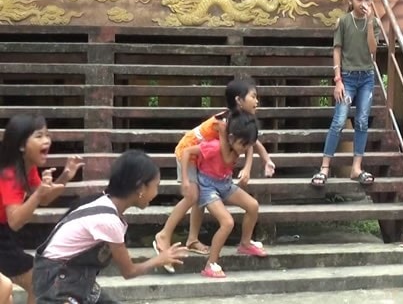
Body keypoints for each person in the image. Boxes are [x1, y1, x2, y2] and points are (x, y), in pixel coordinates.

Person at [33, 150, 188, 303]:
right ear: (140, 187)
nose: (156, 193)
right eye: (156, 186)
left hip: (73, 278)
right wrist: (159, 259)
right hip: (58, 282)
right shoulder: (109, 220)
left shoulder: (104, 203)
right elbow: (129, 271)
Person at [154, 79, 274, 272]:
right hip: (189, 151)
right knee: (193, 195)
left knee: (198, 197)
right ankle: (164, 234)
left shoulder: (240, 120)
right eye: (253, 96)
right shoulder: (224, 123)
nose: (257, 101)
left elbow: (252, 141)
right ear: (239, 100)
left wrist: (259, 163)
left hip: (208, 159)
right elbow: (227, 157)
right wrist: (185, 180)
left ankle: (193, 239)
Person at [0, 114, 84, 304]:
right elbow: (15, 220)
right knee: (37, 282)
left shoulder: (27, 168)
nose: (46, 140)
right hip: (4, 234)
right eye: (39, 136)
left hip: (4, 236)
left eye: (47, 135)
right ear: (22, 146)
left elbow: (44, 198)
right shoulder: (10, 175)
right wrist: (37, 195)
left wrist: (65, 177)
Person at [311, 0, 380, 187]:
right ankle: (325, 167)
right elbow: (337, 50)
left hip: (366, 76)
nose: (363, 3)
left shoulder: (373, 23)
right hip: (347, 78)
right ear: (351, 0)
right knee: (339, 120)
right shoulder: (343, 21)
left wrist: (369, 23)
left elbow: (372, 49)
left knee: (361, 121)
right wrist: (337, 79)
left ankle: (356, 167)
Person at [180, 112, 266, 278]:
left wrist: (247, 168)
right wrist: (185, 179)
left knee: (253, 205)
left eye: (248, 145)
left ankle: (245, 243)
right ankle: (211, 264)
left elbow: (252, 148)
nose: (245, 149)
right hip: (207, 187)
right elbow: (186, 152)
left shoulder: (241, 145)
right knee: (227, 222)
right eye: (243, 145)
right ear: (232, 138)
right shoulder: (213, 146)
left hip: (225, 183)